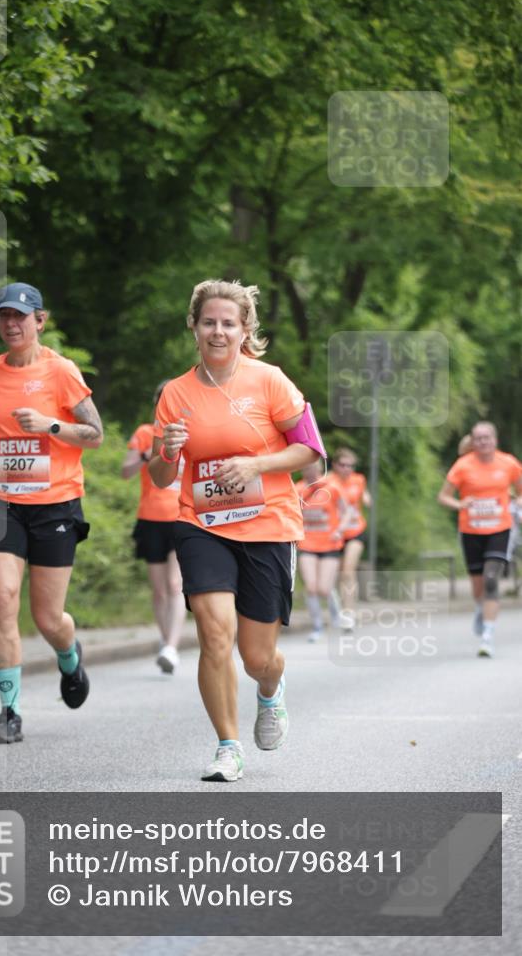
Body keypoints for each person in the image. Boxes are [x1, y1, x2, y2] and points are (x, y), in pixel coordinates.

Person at [149, 279, 319, 782]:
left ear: (245, 329)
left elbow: (310, 450)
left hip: (267, 524)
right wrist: (168, 450)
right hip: (201, 523)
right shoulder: (175, 394)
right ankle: (228, 746)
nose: (218, 331)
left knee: (257, 656)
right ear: (194, 326)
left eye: (228, 323)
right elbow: (161, 476)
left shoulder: (270, 380)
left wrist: (255, 465)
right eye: (209, 322)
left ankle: (271, 690)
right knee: (214, 633)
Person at [0, 282, 104, 742]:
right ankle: (9, 714)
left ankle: (69, 656)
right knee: (1, 598)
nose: (11, 324)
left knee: (47, 618)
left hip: (55, 502)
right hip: (0, 497)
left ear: (39, 321)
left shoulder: (61, 372)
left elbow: (95, 433)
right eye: (3, 316)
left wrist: (50, 425)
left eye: (20, 316)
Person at [438, 421, 522, 657]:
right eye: (478, 438)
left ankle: (487, 635)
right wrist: (459, 504)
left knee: (491, 579)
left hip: (500, 529)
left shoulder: (509, 463)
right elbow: (443, 497)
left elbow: (520, 491)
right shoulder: (463, 465)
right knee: (478, 586)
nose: (483, 442)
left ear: (495, 440)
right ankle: (480, 608)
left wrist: (519, 502)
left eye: (487, 438)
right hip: (471, 530)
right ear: (472, 442)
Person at [121, 382, 186, 674]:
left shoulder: (189, 433)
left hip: (182, 516)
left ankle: (172, 647)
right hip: (150, 516)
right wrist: (146, 456)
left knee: (175, 585)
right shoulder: (145, 433)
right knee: (159, 590)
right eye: (163, 401)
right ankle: (165, 641)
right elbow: (125, 472)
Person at [295, 460, 351, 641]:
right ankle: (317, 627)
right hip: (307, 543)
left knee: (324, 589)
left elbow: (347, 511)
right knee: (311, 587)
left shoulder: (332, 487)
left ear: (319, 469)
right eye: (306, 467)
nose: (309, 471)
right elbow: (291, 512)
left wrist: (340, 530)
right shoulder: (297, 489)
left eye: (313, 467)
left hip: (329, 543)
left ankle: (337, 617)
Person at [326, 447, 371, 629]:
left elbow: (364, 495)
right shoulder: (328, 481)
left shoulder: (358, 480)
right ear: (335, 465)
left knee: (347, 571)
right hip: (334, 533)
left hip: (355, 531)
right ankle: (339, 608)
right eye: (343, 465)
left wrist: (367, 499)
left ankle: (349, 613)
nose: (347, 469)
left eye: (351, 466)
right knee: (334, 576)